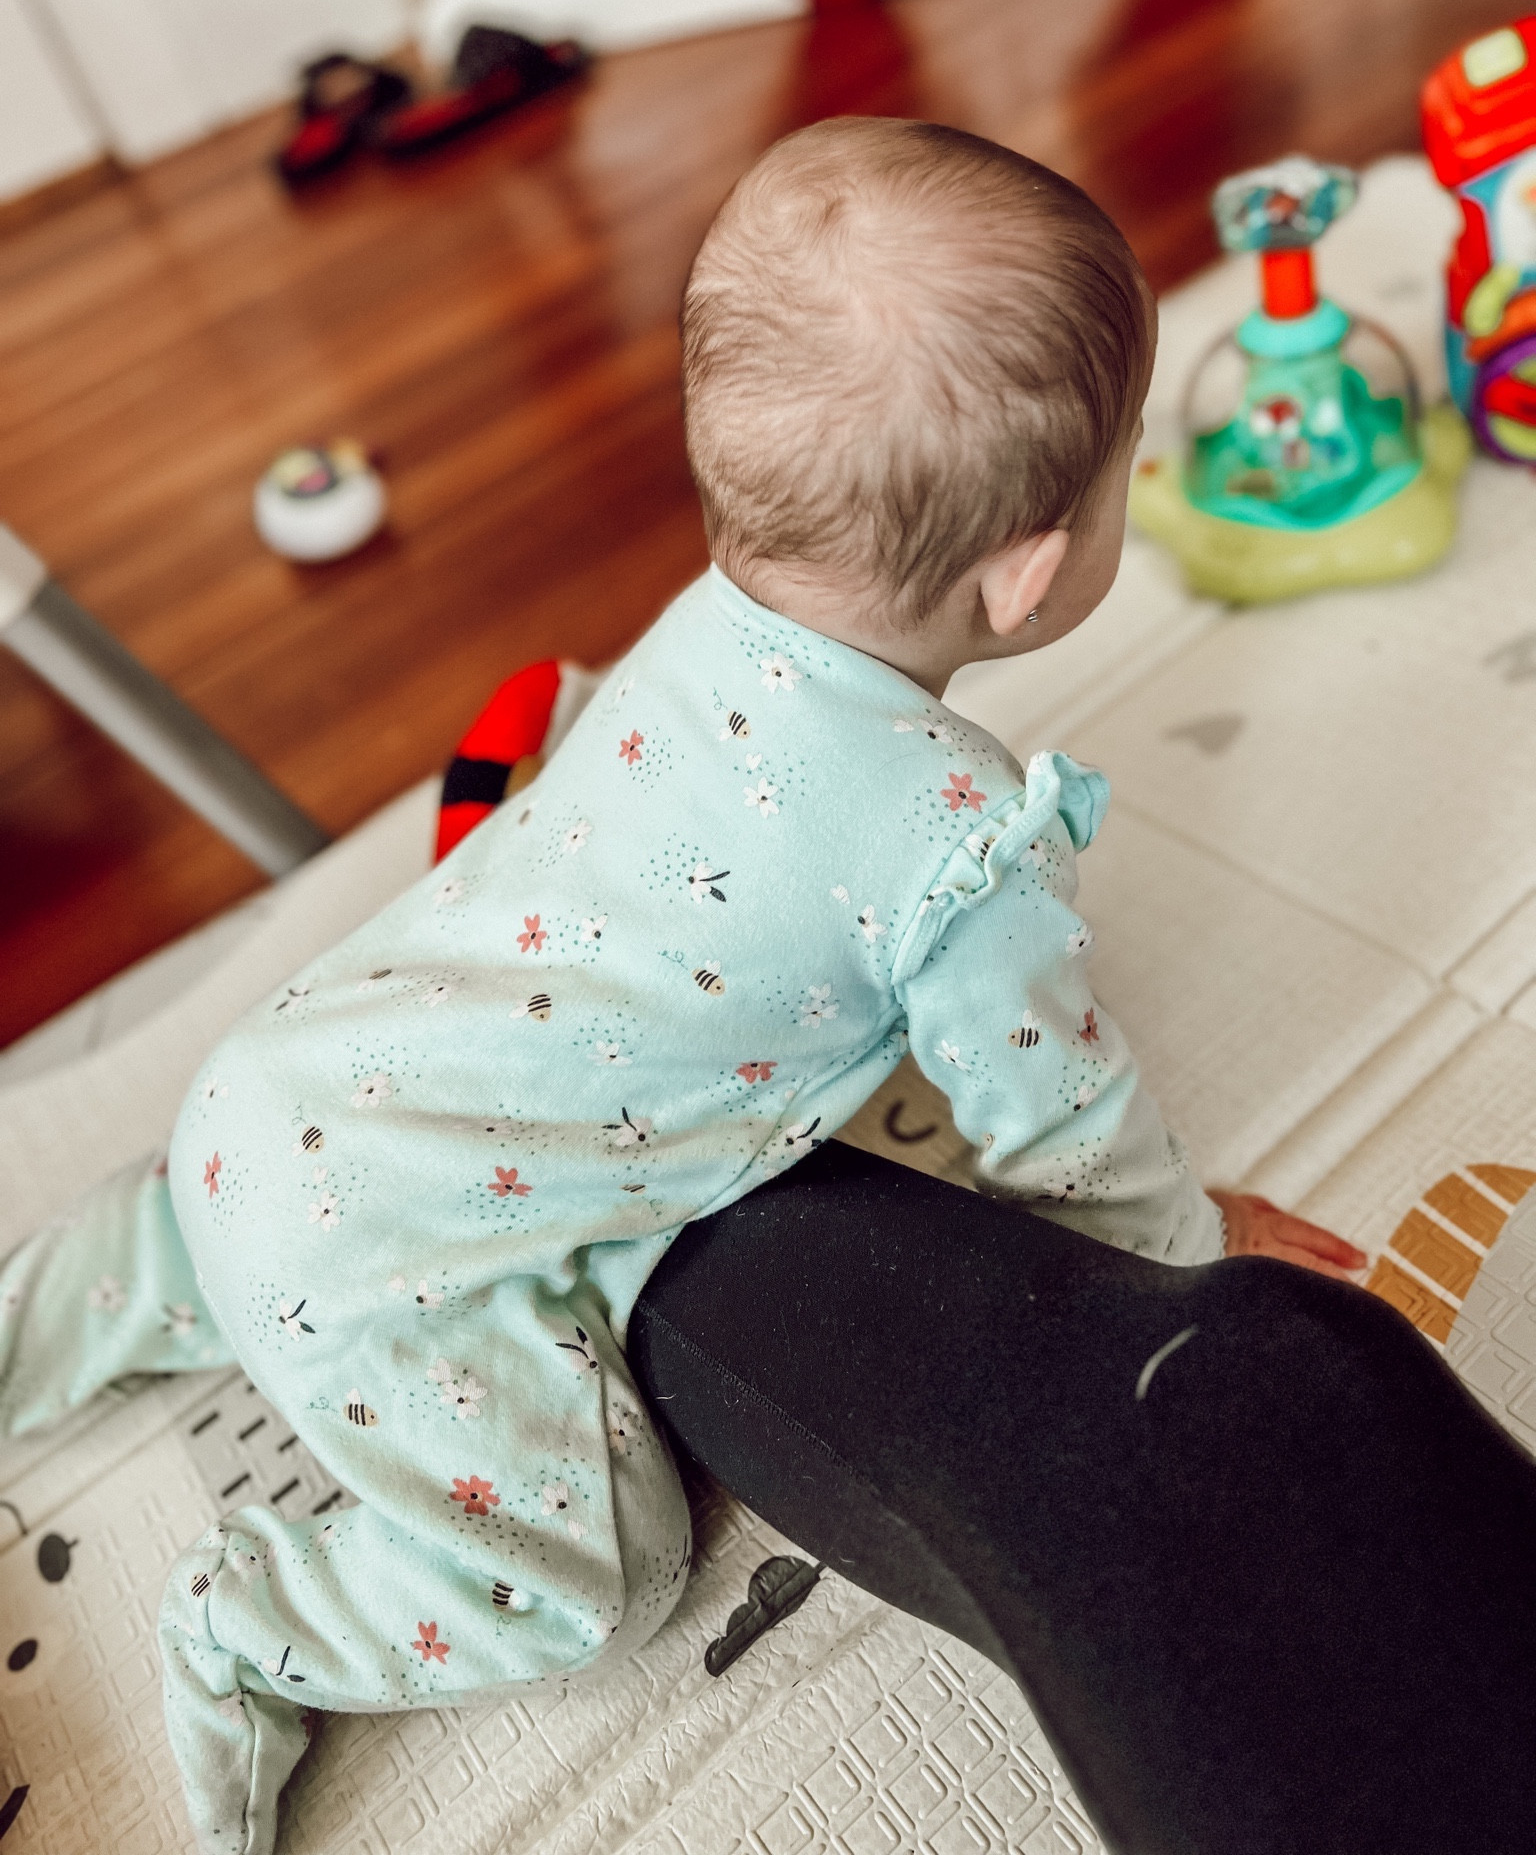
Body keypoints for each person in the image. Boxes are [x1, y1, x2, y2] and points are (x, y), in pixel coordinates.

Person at [0, 119, 1379, 1853]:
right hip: (392, 1245)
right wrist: (1199, 1254)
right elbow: (1069, 1129)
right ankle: (249, 1622)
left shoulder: (704, 622)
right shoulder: (961, 845)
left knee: (234, 1226)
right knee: (595, 1579)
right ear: (1032, 570)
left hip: (282, 1094)